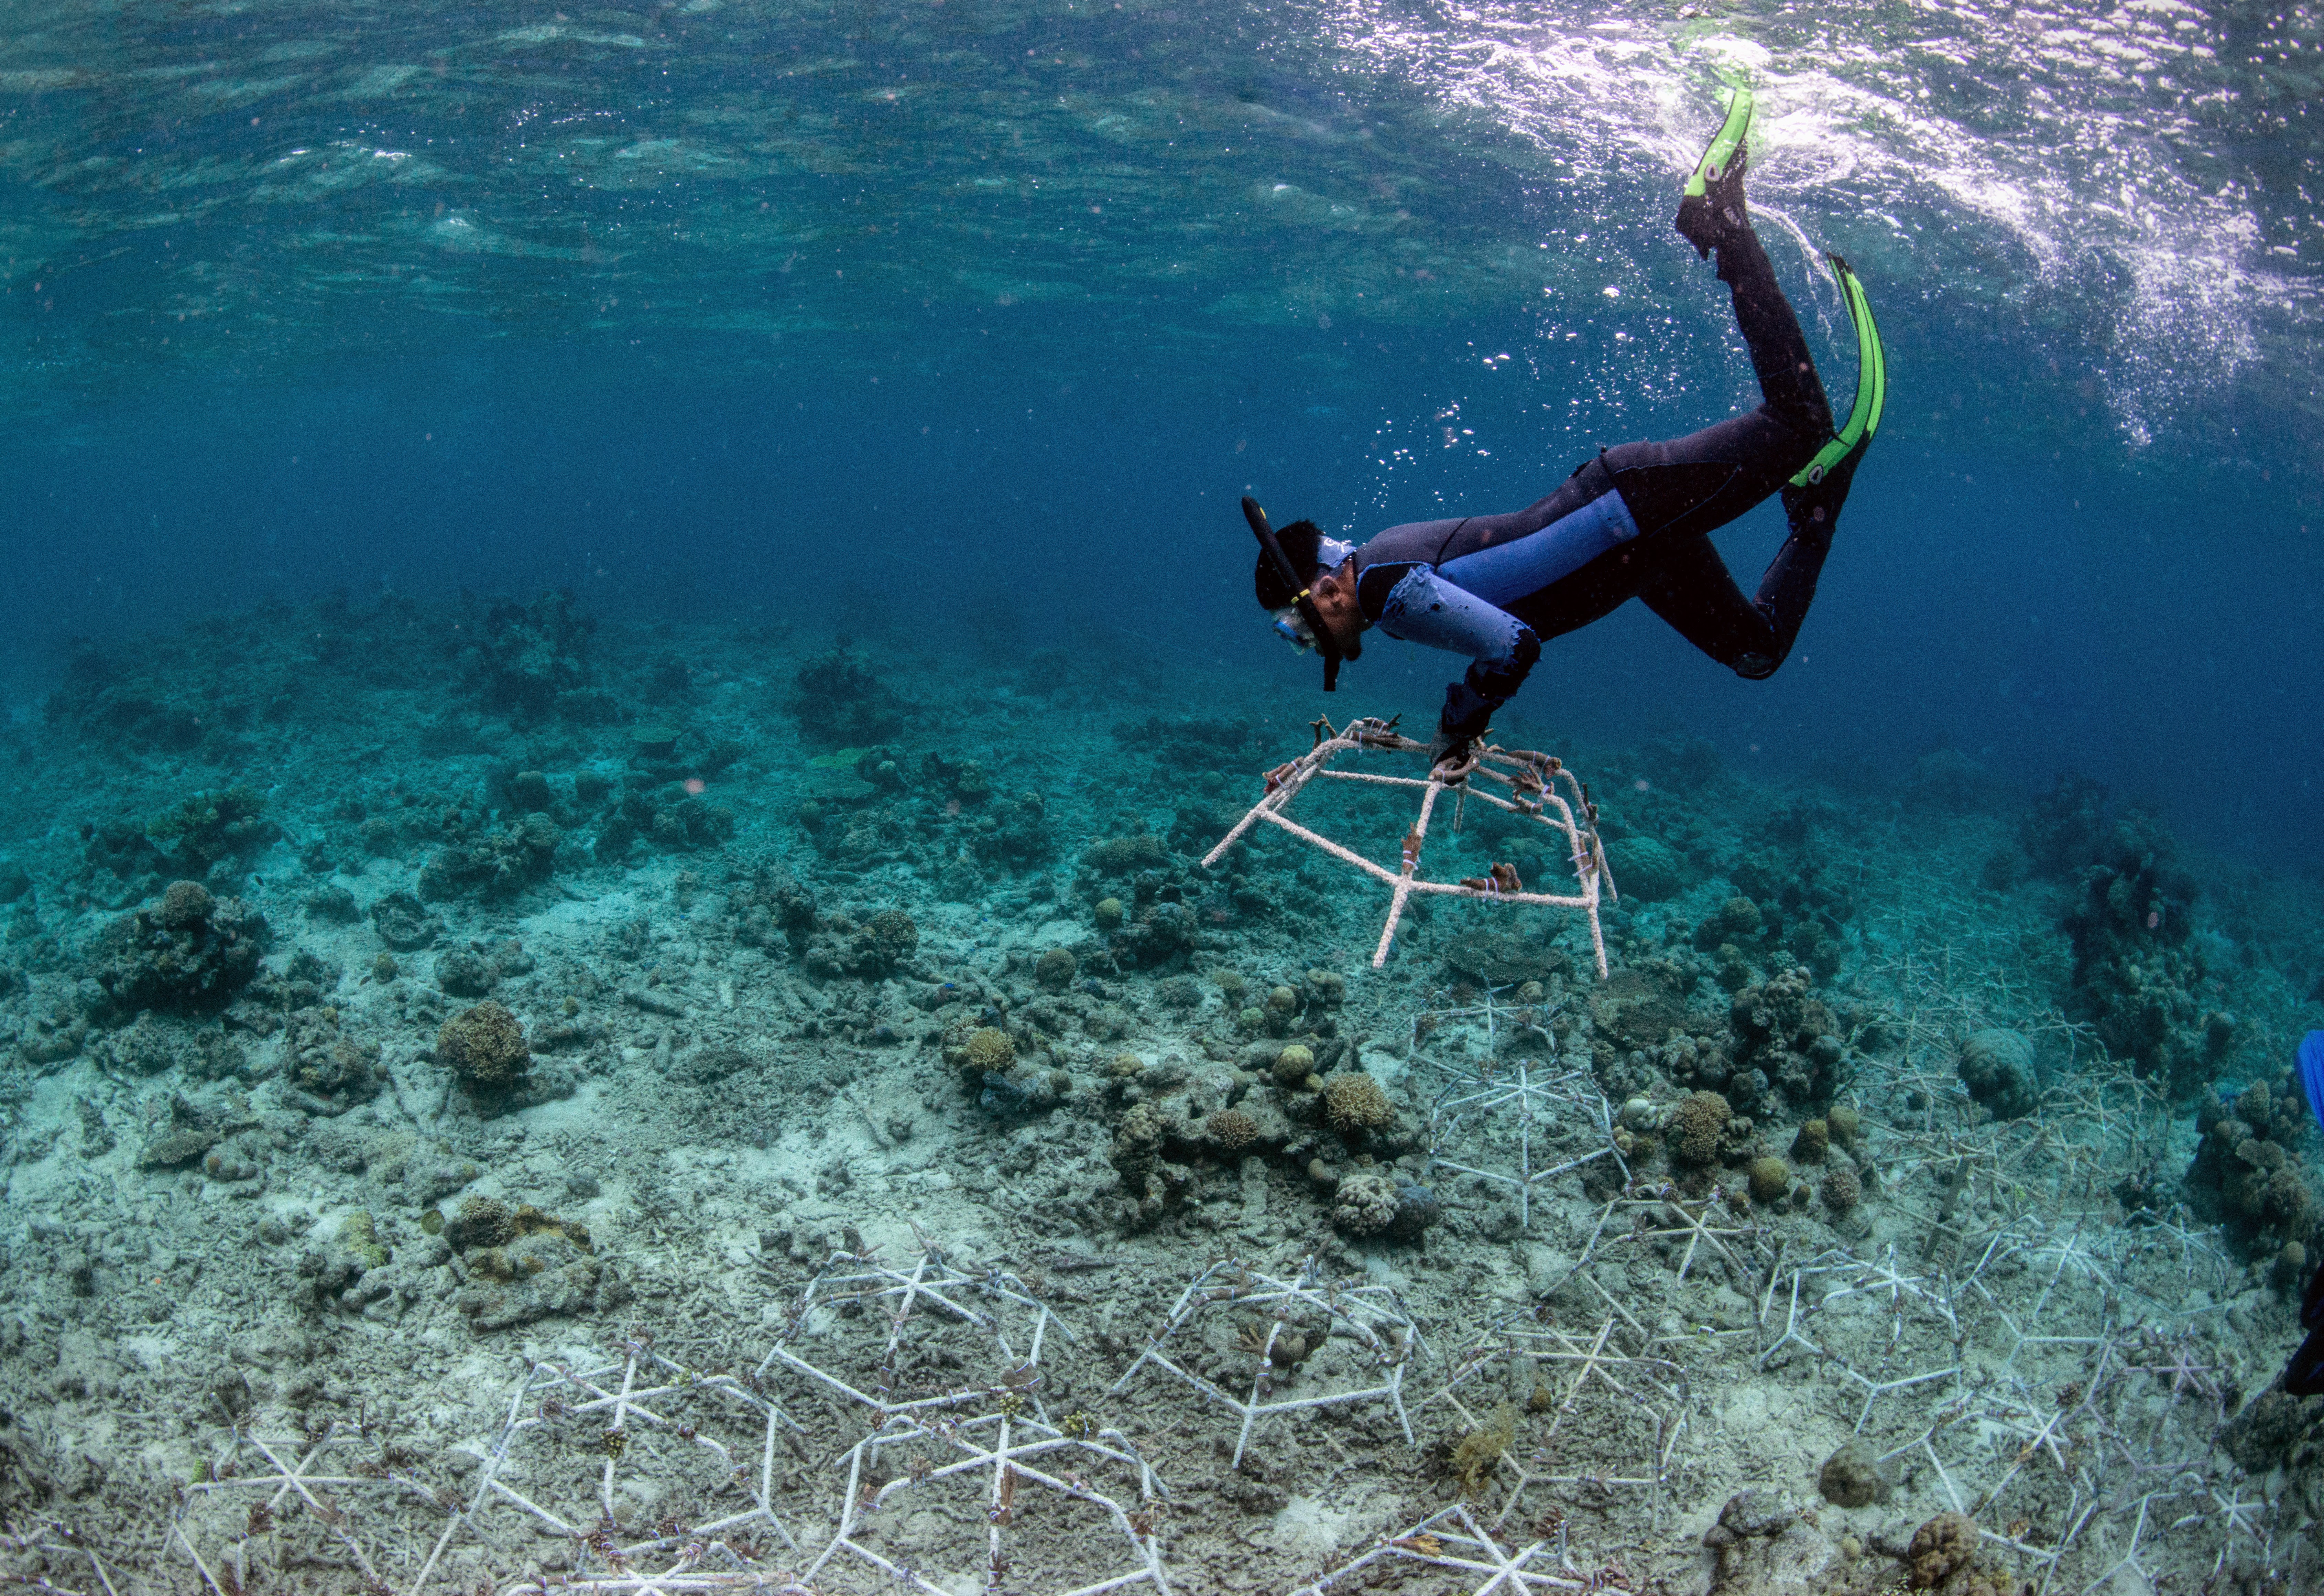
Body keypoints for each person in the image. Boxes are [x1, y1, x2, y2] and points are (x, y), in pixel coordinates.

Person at [1245, 85, 1888, 774]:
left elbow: (1512, 643)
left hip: (1627, 513)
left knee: (1797, 425)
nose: (1306, 646)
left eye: (1298, 632)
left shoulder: (1383, 590)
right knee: (1753, 653)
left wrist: (1459, 723)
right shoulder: (1372, 568)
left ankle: (1721, 219)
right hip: (1636, 549)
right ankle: (1815, 499)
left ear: (1326, 593)